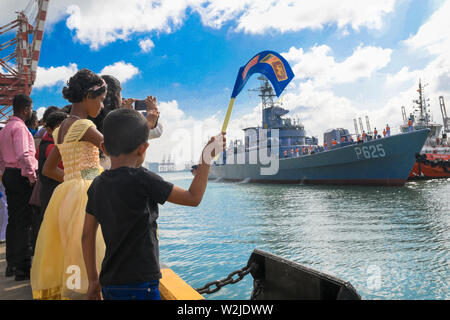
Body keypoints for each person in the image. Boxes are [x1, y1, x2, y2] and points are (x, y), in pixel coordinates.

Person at [81, 108, 226, 300]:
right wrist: (206, 157)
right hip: (142, 282)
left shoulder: (96, 186)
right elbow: (193, 197)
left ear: (104, 148)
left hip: (111, 282)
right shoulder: (144, 179)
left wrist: (93, 280)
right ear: (143, 149)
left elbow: (86, 235)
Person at [0, 93, 37, 281]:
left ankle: (12, 264)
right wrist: (31, 177)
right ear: (25, 109)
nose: (31, 112)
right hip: (20, 174)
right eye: (30, 109)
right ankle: (23, 268)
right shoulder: (20, 128)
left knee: (14, 220)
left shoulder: (5, 129)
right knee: (24, 222)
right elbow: (24, 155)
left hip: (9, 174)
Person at [32, 111, 68, 248]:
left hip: (47, 192)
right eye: (60, 128)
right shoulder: (52, 147)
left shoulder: (45, 143)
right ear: (49, 129)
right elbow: (62, 167)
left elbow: (36, 157)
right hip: (54, 194)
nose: (64, 132)